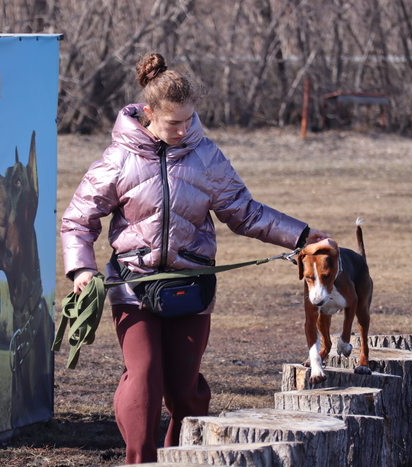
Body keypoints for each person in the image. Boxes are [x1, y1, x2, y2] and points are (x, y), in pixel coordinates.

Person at [60, 53, 328, 464]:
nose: (184, 130)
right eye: (174, 123)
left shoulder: (206, 156)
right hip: (133, 286)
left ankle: (181, 457)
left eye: (189, 120)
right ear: (149, 113)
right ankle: (141, 461)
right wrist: (82, 269)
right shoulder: (118, 160)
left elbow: (245, 212)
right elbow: (79, 220)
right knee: (144, 379)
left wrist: (302, 235)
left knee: (185, 389)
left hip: (192, 287)